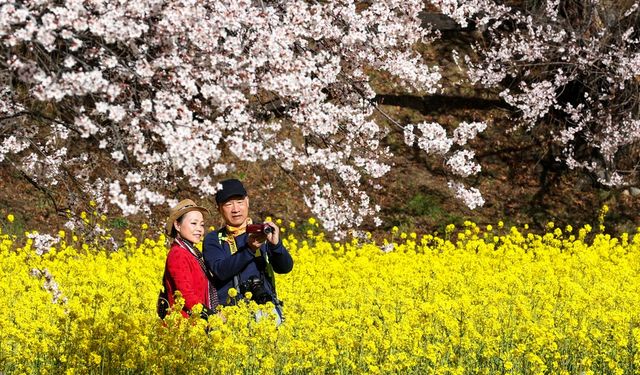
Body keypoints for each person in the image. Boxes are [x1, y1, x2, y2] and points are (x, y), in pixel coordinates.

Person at [203, 179, 293, 324]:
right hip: (230, 315)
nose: (235, 209)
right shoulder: (214, 239)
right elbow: (220, 270)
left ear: (247, 201)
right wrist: (249, 250)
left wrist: (276, 245)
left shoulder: (262, 232)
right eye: (228, 204)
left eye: (239, 202)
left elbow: (285, 268)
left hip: (266, 311)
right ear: (219, 208)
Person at [157, 199, 219, 320]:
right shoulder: (178, 254)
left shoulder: (193, 254)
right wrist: (213, 316)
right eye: (194, 223)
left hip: (195, 324)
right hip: (183, 326)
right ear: (177, 225)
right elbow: (186, 295)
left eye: (202, 224)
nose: (200, 229)